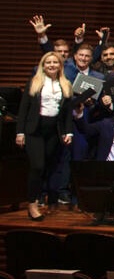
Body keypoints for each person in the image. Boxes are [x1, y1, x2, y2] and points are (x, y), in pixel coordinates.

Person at [15, 52, 74, 220]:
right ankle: (32, 204)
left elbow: (67, 113)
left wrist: (68, 132)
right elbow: (23, 108)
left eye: (55, 62)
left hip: (54, 131)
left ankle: (46, 199)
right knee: (37, 166)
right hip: (35, 130)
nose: (52, 65)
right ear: (43, 65)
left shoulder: (66, 84)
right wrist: (20, 132)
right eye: (48, 62)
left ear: (60, 65)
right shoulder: (34, 82)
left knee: (49, 167)